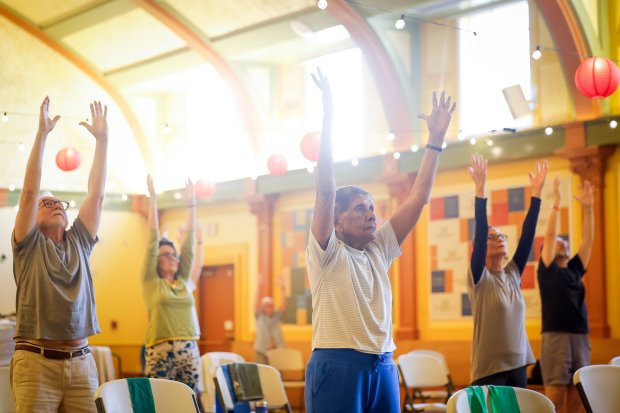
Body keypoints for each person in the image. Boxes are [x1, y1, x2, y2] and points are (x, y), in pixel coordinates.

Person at [304, 69, 456, 413]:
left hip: (384, 364)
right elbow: (326, 189)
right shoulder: (327, 252)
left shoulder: (379, 249)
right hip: (337, 364)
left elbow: (418, 197)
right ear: (338, 222)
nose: (372, 214)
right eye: (361, 209)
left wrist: (436, 140)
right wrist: (329, 114)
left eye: (373, 207)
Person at [11, 97, 108, 412]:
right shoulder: (29, 244)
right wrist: (42, 135)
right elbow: (29, 192)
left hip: (81, 365)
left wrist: (103, 141)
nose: (55, 206)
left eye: (59, 204)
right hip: (37, 364)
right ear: (32, 217)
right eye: (46, 203)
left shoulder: (79, 239)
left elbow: (97, 194)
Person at [467, 153, 547, 387]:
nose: (499, 238)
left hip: (519, 364)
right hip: (489, 369)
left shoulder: (513, 273)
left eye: (502, 235)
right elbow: (480, 233)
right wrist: (480, 189)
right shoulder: (479, 278)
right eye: (493, 236)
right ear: (479, 247)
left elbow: (528, 236)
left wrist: (537, 194)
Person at [142, 175, 202, 398]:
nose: (173, 257)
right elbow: (152, 240)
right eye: (166, 254)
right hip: (159, 350)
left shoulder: (184, 280)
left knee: (187, 402)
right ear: (156, 260)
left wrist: (191, 203)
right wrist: (153, 199)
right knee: (160, 402)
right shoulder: (151, 282)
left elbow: (190, 244)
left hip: (189, 349)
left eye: (174, 254)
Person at [538, 178, 593, 413]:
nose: (563, 244)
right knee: (555, 393)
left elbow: (588, 240)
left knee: (580, 393)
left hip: (580, 334)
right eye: (559, 242)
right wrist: (557, 203)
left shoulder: (574, 269)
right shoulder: (547, 270)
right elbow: (550, 235)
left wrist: (588, 208)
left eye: (565, 242)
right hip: (555, 335)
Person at [254, 276, 286, 364]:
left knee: (277, 372)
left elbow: (283, 306)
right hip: (262, 350)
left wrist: (283, 289)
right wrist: (258, 287)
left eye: (271, 305)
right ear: (263, 307)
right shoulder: (259, 315)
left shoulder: (276, 315)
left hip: (277, 349)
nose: (270, 308)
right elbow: (255, 304)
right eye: (267, 305)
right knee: (261, 373)